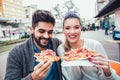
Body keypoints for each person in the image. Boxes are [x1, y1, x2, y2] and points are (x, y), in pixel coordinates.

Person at [57, 11, 119, 80]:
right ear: (63, 30)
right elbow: (74, 78)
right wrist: (73, 59)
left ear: (81, 28)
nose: (72, 32)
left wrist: (107, 72)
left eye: (76, 27)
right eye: (67, 28)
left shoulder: (95, 45)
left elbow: (107, 77)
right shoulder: (61, 49)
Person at [4, 10, 63, 80]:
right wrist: (33, 77)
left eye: (50, 32)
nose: (46, 36)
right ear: (32, 29)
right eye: (41, 31)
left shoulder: (57, 44)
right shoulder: (17, 52)